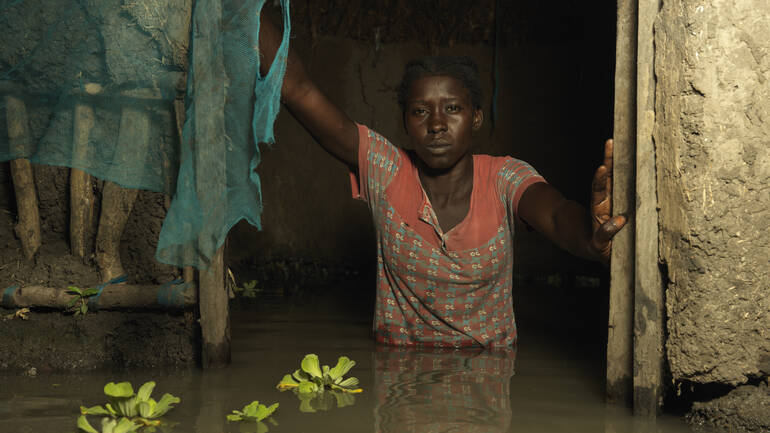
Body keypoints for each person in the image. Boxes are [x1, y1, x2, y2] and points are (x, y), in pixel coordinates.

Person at [257, 17, 627, 348]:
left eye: (452, 108)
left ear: (476, 118)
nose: (436, 124)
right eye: (420, 111)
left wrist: (590, 238)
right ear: (405, 123)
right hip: (398, 383)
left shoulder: (503, 178)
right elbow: (297, 89)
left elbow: (558, 214)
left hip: (488, 385)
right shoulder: (386, 169)